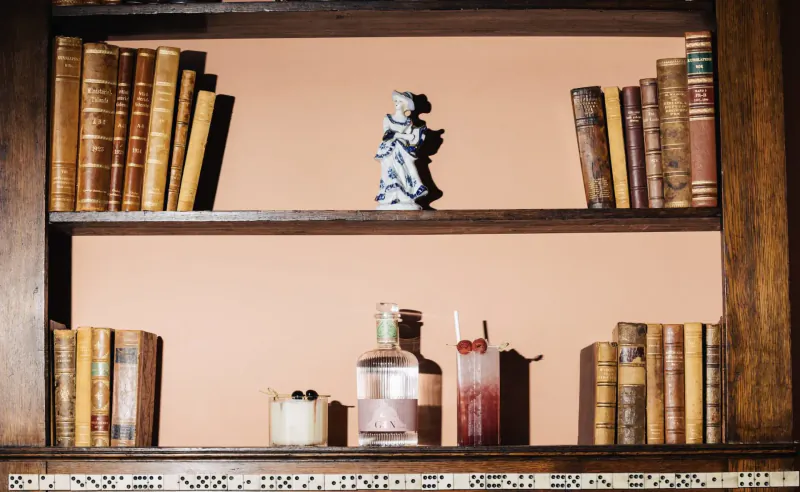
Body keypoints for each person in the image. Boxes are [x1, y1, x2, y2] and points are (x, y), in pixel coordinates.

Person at [374, 91, 428, 210]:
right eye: (396, 101)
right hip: (389, 150)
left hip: (403, 150)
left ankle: (408, 193)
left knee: (406, 170)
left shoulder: (408, 121)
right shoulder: (388, 118)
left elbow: (412, 137)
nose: (396, 103)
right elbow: (387, 134)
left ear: (406, 105)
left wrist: (414, 137)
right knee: (390, 172)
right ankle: (391, 197)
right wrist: (403, 136)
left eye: (400, 101)